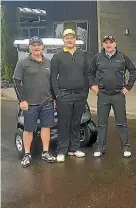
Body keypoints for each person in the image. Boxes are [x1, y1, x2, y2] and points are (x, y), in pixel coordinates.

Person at [88, 35, 136, 158]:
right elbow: (90, 73)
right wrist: (94, 88)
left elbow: (133, 71)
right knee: (102, 123)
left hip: (118, 95)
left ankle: (126, 147)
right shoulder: (98, 58)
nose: (108, 45)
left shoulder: (122, 57)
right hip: (103, 95)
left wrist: (128, 87)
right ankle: (100, 147)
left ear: (115, 44)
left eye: (111, 42)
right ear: (103, 44)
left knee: (122, 123)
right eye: (106, 42)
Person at [13, 36, 56, 168]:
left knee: (46, 127)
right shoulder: (23, 63)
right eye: (34, 45)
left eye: (39, 45)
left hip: (46, 102)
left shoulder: (49, 63)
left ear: (43, 46)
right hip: (30, 104)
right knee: (28, 129)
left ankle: (45, 152)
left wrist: (54, 98)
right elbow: (16, 82)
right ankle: (27, 154)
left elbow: (53, 82)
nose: (36, 47)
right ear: (30, 47)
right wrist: (22, 100)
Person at [50, 29, 90, 162]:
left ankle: (74, 148)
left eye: (72, 37)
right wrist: (57, 95)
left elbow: (86, 74)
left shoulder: (82, 55)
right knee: (64, 123)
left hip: (80, 94)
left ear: (75, 39)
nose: (69, 40)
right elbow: (53, 77)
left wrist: (85, 93)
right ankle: (62, 150)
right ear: (63, 40)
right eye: (67, 38)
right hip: (64, 95)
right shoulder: (58, 56)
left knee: (76, 122)